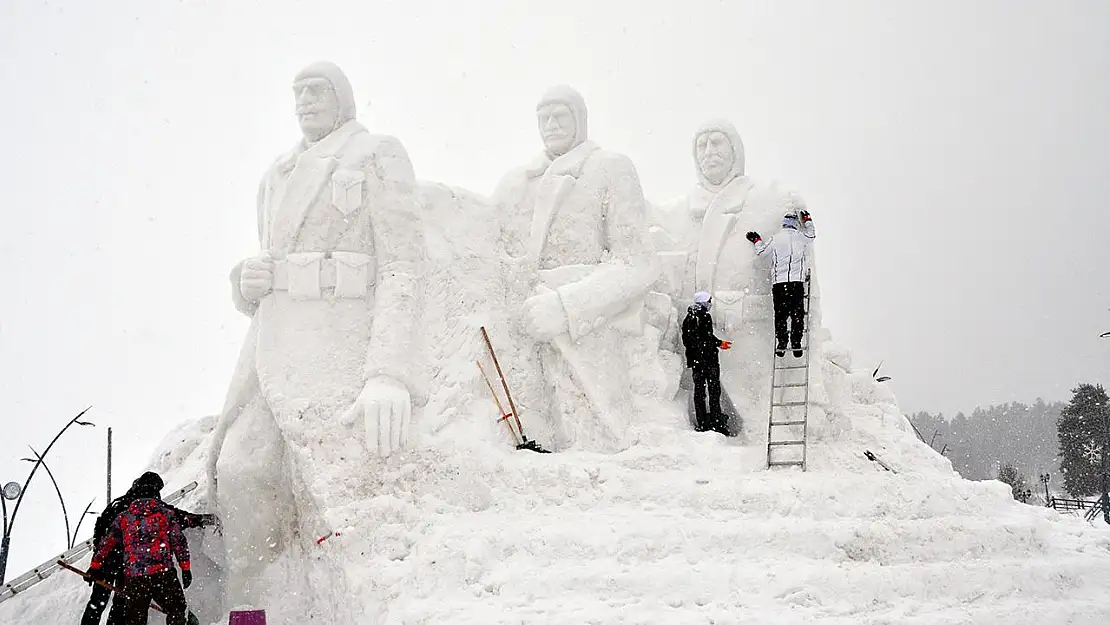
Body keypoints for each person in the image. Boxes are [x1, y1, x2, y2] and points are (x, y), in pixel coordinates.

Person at [206, 61, 423, 610]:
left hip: (340, 347)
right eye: (297, 91)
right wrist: (247, 281)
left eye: (316, 90)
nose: (304, 100)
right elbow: (272, 264)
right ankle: (249, 613)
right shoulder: (276, 174)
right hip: (273, 346)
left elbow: (403, 265)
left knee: (340, 496)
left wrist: (388, 372)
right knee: (238, 470)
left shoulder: (375, 152)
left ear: (343, 99)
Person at [490, 84, 659, 452]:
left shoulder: (610, 168)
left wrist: (566, 306)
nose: (550, 124)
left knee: (596, 450)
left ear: (580, 120)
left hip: (588, 332)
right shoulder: (515, 183)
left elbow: (639, 262)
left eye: (560, 115)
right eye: (543, 117)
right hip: (524, 331)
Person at [80, 472, 215, 625]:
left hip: (122, 566)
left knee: (100, 603)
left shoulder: (121, 509)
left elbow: (104, 539)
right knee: (120, 605)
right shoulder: (158, 510)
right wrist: (204, 520)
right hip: (131, 566)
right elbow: (180, 523)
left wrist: (95, 565)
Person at [746, 208, 816, 357]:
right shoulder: (801, 237)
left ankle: (782, 343)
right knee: (797, 315)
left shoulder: (775, 238)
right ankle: (796, 343)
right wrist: (808, 220)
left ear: (783, 224)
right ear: (796, 224)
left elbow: (761, 252)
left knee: (781, 315)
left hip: (779, 284)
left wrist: (757, 240)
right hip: (796, 283)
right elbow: (812, 234)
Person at [680, 291, 733, 434]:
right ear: (703, 302)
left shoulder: (690, 317)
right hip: (708, 361)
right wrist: (715, 344)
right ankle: (715, 421)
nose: (710, 304)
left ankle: (703, 420)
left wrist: (716, 343)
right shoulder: (703, 317)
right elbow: (704, 338)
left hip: (698, 362)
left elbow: (695, 339)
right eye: (709, 301)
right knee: (713, 391)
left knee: (700, 391)